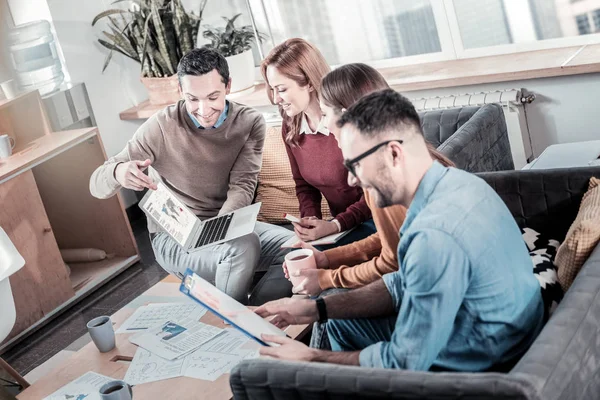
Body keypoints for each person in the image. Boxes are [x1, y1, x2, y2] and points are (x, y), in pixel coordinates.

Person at [255, 89, 545, 372]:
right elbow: (403, 282)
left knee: (313, 358)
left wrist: (312, 357)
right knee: (337, 322)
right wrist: (316, 310)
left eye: (355, 164)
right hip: (506, 329)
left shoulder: (433, 236)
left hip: (485, 358)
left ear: (393, 153)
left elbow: (403, 360)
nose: (353, 180)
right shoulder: (459, 184)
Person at [89, 47, 293, 304]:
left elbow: (243, 185)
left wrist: (220, 232)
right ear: (179, 90)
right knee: (244, 247)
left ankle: (253, 315)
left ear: (228, 86)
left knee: (297, 248)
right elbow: (96, 184)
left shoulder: (249, 122)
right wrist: (119, 172)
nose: (203, 109)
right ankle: (235, 326)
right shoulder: (162, 125)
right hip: (175, 239)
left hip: (224, 224)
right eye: (192, 98)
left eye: (212, 97)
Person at [260, 38, 375, 244]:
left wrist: (335, 225)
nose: (276, 98)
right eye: (272, 89)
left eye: (282, 89)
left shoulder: (346, 119)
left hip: (373, 220)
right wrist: (310, 220)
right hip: (340, 228)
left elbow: (377, 190)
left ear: (310, 83)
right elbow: (304, 185)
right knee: (300, 261)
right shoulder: (290, 126)